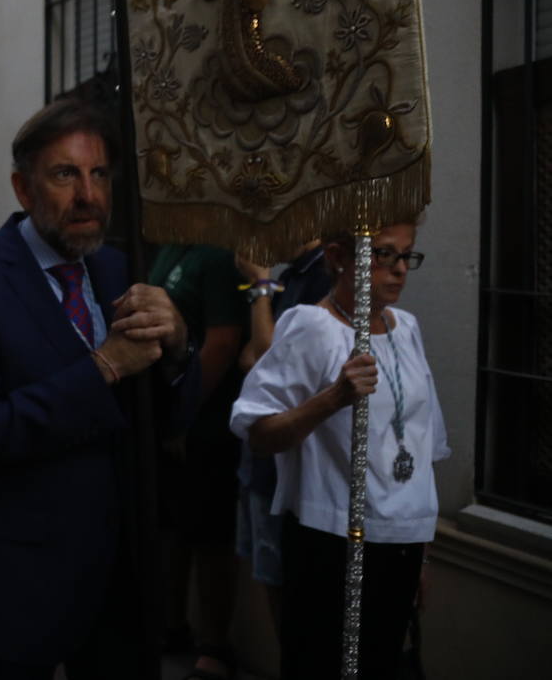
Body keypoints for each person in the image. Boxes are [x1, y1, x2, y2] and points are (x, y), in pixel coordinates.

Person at [0, 98, 197, 678]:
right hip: (16, 587)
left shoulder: (121, 269)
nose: (88, 195)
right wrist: (101, 368)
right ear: (23, 189)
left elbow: (165, 421)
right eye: (65, 174)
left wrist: (176, 350)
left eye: (99, 174)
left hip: (120, 586)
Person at [230, 223, 447, 680]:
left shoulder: (406, 327)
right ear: (337, 257)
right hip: (333, 541)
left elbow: (422, 448)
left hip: (401, 542)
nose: (400, 270)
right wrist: (332, 398)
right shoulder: (312, 327)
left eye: (408, 256)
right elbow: (260, 431)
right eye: (384, 255)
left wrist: (420, 550)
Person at [146, 244, 246, 680]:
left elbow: (223, 340)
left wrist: (184, 412)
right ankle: (172, 626)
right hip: (170, 423)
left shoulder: (217, 257)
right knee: (173, 528)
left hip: (208, 423)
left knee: (210, 535)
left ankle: (215, 646)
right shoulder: (169, 250)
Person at [232, 240, 329, 635]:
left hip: (290, 467)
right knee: (272, 580)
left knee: (293, 594)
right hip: (261, 459)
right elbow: (251, 360)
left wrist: (260, 284)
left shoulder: (322, 274)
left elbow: (263, 359)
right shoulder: (295, 273)